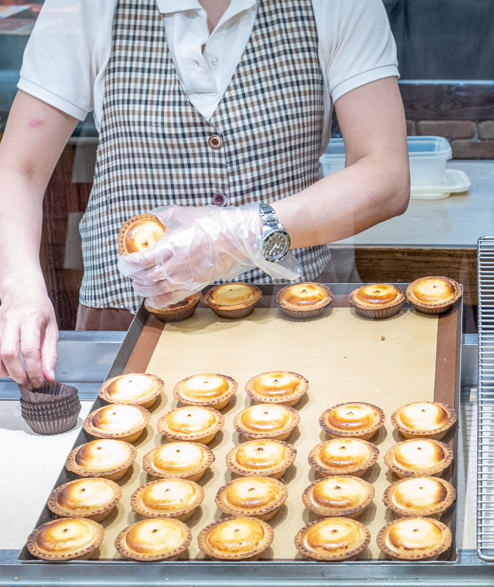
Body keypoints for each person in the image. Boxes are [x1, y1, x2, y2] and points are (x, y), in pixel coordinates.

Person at [0, 0, 409, 387]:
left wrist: (245, 230)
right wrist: (20, 288)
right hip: (127, 324)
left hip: (295, 314)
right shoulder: (91, 7)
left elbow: (385, 174)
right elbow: (19, 166)